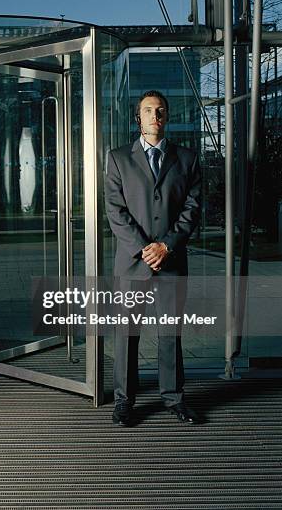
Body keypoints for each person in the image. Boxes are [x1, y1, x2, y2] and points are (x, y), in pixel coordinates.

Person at [104, 90, 202, 427]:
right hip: (133, 264)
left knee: (170, 334)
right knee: (126, 334)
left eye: (160, 111)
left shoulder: (187, 158)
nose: (154, 117)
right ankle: (124, 401)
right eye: (148, 111)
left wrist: (167, 246)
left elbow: (192, 209)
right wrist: (145, 250)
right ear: (138, 117)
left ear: (167, 116)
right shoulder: (117, 158)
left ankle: (174, 399)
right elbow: (115, 212)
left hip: (171, 262)